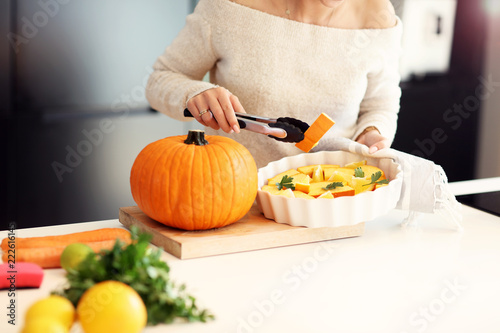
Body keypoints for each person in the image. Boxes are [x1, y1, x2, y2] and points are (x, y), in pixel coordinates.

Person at [146, 0, 402, 168]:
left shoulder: (378, 17)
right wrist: (195, 93)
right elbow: (160, 79)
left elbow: (380, 105)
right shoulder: (229, 7)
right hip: (234, 198)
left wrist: (372, 132)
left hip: (333, 202)